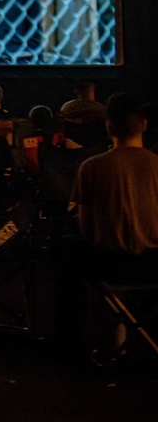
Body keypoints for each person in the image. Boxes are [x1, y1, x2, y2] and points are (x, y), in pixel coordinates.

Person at [55, 93, 158, 356]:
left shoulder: (91, 167)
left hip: (109, 265)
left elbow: (87, 229)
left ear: (109, 127)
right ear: (144, 124)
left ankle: (71, 345)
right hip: (153, 264)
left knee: (67, 242)